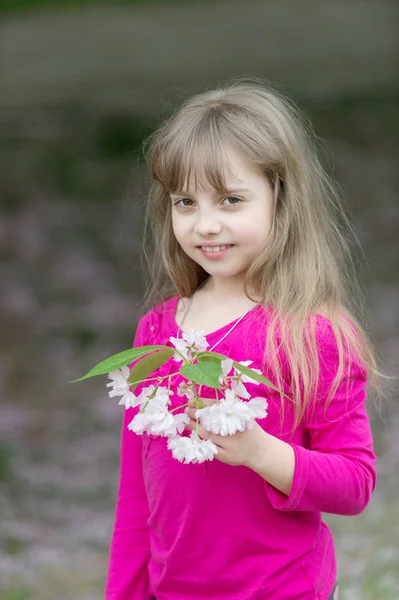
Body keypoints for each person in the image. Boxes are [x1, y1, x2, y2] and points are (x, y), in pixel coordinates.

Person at [105, 78, 383, 600]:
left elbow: (354, 483)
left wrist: (260, 451)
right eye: (186, 201)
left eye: (231, 200)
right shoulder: (159, 331)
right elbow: (136, 498)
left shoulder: (310, 333)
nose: (205, 225)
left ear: (282, 199)